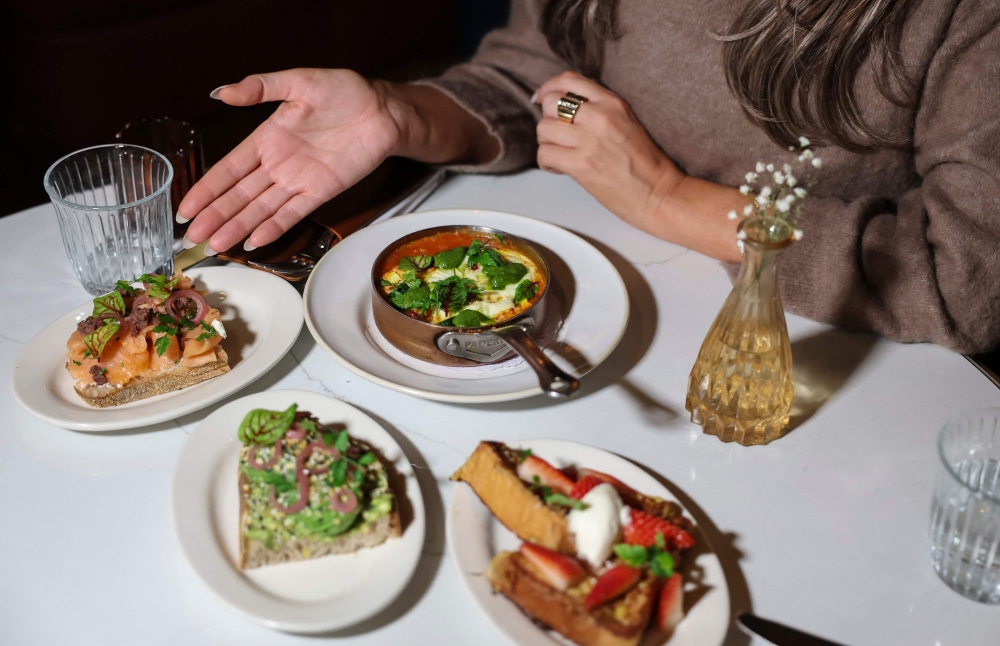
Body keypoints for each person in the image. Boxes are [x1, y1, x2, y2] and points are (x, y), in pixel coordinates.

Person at [176, 0, 1000, 354]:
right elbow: (536, 77)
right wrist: (399, 113)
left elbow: (964, 276)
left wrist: (663, 198)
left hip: (810, 363)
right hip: (584, 315)